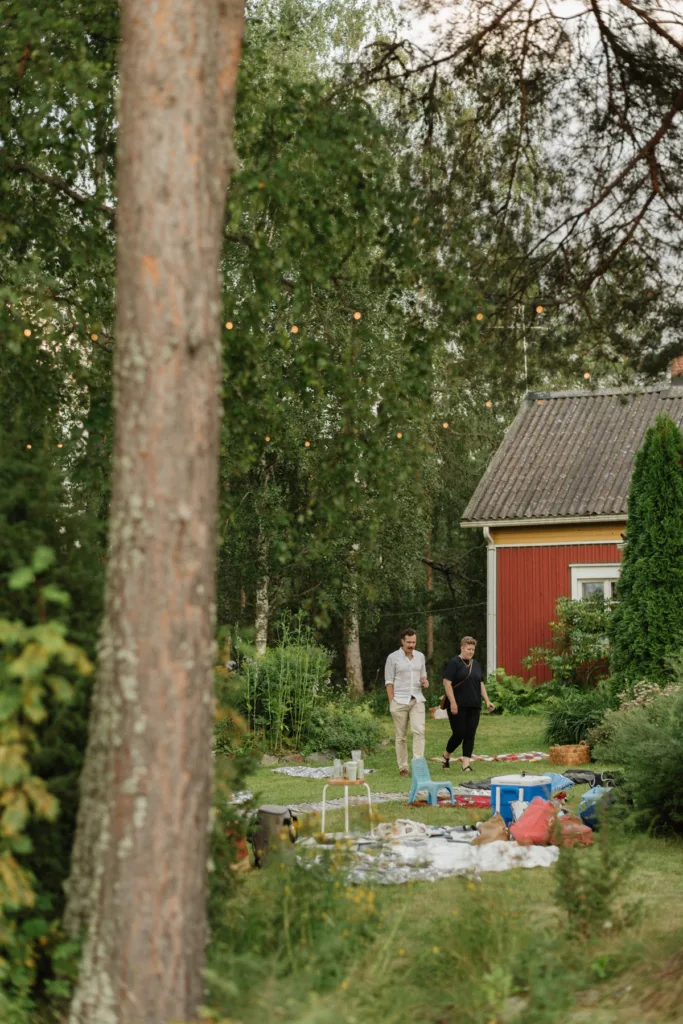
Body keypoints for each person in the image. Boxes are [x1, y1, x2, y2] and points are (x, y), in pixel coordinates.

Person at [441, 636, 495, 772]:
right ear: (462, 648)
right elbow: (447, 683)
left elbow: (480, 683)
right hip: (457, 705)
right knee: (459, 734)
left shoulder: (476, 664)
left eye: (473, 649)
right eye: (468, 649)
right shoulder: (454, 663)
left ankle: (465, 765)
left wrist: (487, 700)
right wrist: (452, 702)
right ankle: (446, 755)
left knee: (470, 734)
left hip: (474, 704)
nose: (471, 652)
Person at [385, 628, 429, 776]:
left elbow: (423, 676)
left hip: (416, 699)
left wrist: (425, 682)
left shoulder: (420, 657)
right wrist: (392, 702)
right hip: (399, 700)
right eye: (409, 642)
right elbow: (389, 681)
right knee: (401, 737)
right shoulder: (393, 658)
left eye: (414, 642)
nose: (411, 644)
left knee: (419, 731)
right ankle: (403, 768)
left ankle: (418, 766)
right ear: (402, 641)